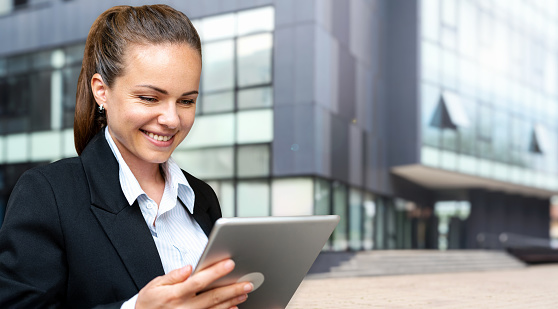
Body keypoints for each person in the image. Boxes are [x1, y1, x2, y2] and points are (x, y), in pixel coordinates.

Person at [0, 4, 253, 308]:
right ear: (101, 91)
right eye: (149, 98)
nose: (172, 119)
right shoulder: (48, 193)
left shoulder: (201, 196)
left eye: (186, 101)